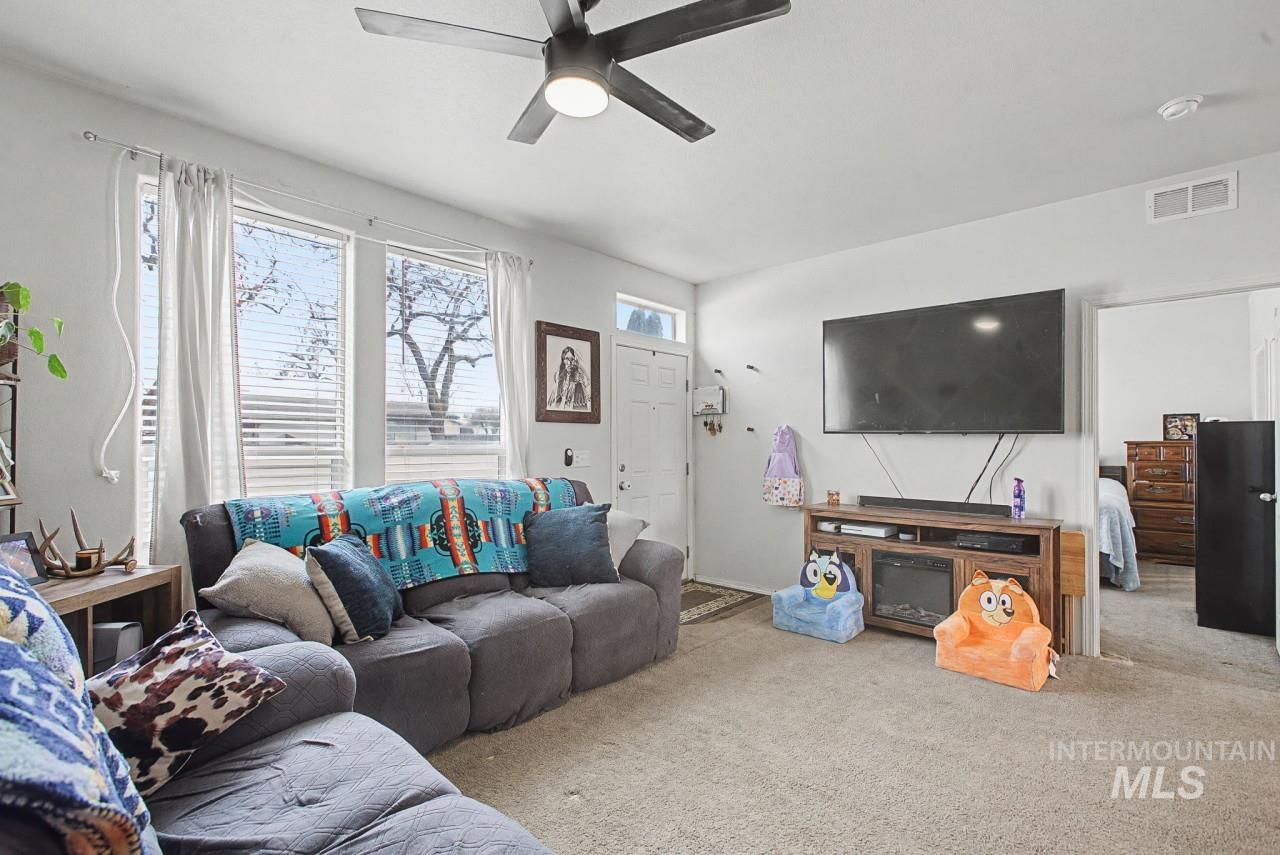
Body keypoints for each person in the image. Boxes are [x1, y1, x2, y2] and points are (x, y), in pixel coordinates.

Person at [550, 345, 589, 410]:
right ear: (563, 360)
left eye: (572, 359)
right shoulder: (559, 377)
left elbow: (587, 381)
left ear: (575, 361)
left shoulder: (578, 378)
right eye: (567, 359)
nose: (569, 362)